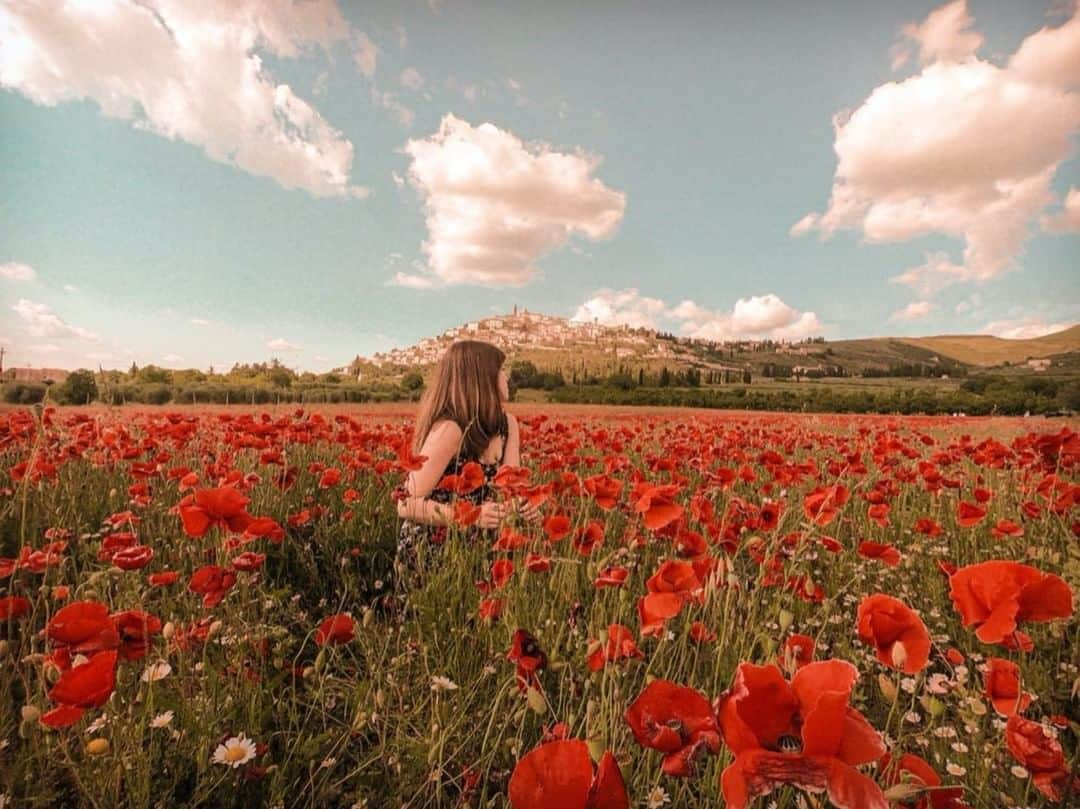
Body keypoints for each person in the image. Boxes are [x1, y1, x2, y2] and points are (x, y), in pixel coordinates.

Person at [393, 340, 541, 576]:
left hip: (478, 546)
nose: (506, 378)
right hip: (434, 549)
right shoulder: (451, 430)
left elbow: (511, 491)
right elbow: (404, 503)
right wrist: (470, 516)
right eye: (501, 370)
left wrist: (524, 508)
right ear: (482, 377)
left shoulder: (508, 425)